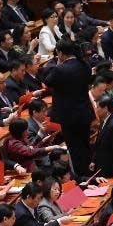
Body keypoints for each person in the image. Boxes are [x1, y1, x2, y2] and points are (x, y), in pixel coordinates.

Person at [43, 40, 94, 179]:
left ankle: (82, 177)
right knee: (85, 144)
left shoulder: (61, 69)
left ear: (60, 53)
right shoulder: (84, 65)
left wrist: (58, 65)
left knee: (75, 148)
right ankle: (88, 173)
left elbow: (47, 81)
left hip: (69, 116)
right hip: (84, 112)